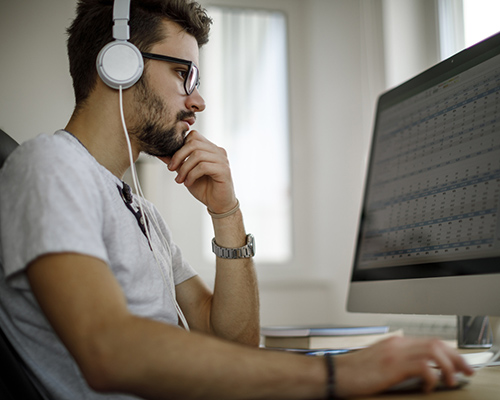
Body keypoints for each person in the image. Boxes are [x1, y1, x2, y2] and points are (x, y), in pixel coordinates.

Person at [0, 0, 474, 399]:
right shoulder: (49, 165)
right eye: (184, 74)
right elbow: (109, 349)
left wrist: (226, 212)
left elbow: (235, 340)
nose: (198, 100)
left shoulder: (139, 209)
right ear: (117, 64)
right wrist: (340, 373)